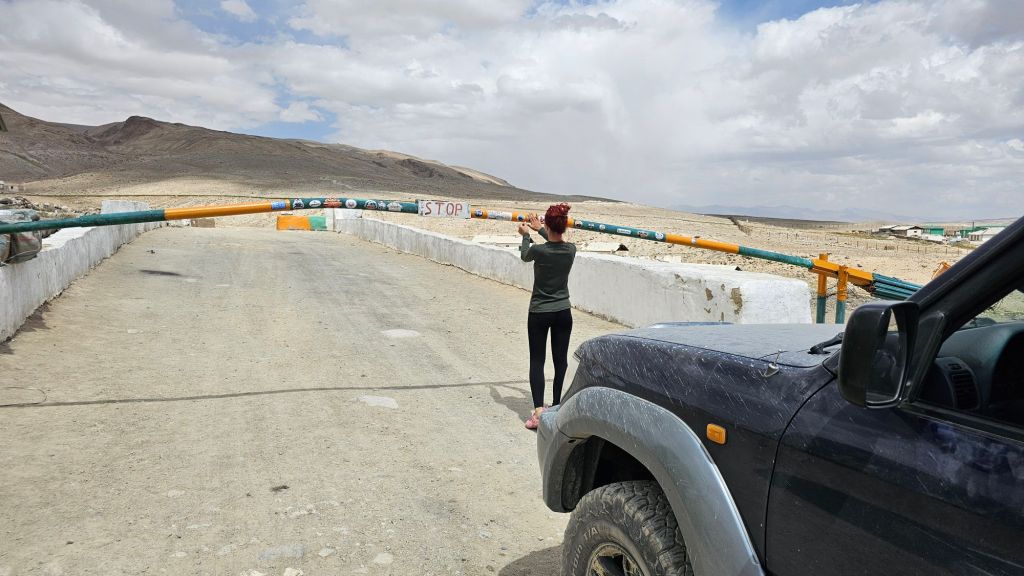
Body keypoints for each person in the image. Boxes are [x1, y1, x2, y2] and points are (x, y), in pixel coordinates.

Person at [518, 203, 576, 430]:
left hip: (540, 312)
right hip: (563, 312)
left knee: (537, 360)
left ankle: (539, 414)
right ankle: (557, 406)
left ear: (548, 224)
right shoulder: (571, 250)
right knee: (560, 361)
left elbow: (525, 255)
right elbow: (555, 241)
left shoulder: (538, 251)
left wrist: (526, 235)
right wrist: (540, 229)